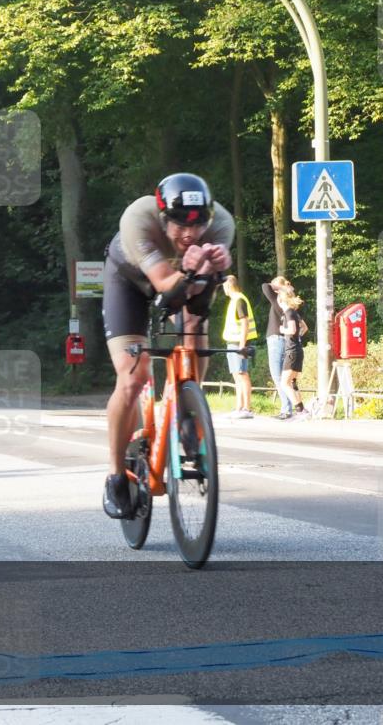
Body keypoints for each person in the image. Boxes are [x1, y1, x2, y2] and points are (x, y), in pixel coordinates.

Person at [102, 173, 234, 519]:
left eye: (197, 225)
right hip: (130, 281)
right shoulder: (138, 218)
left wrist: (212, 272)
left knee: (194, 324)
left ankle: (189, 407)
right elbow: (164, 285)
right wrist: (192, 271)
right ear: (163, 218)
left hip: (183, 281)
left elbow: (198, 302)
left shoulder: (221, 224)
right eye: (178, 225)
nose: (189, 234)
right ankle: (116, 476)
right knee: (133, 377)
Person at [222, 275, 257, 418]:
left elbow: (245, 323)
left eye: (224, 286)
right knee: (237, 375)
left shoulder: (239, 300)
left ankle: (246, 408)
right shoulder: (235, 300)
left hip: (239, 343)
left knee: (242, 374)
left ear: (229, 286)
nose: (223, 289)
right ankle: (239, 408)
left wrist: (242, 346)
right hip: (232, 342)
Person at [262, 276, 293, 419]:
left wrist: (278, 287)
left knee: (277, 375)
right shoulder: (288, 302)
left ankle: (286, 408)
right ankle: (288, 407)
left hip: (276, 339)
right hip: (284, 340)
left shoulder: (278, 300)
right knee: (283, 376)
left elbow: (264, 286)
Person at [277, 287, 309, 419]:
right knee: (292, 382)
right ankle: (303, 411)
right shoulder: (294, 313)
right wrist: (298, 338)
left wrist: (282, 329)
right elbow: (304, 328)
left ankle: (300, 411)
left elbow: (292, 329)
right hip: (297, 349)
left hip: (292, 351)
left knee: (284, 383)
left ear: (280, 300)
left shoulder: (289, 312)